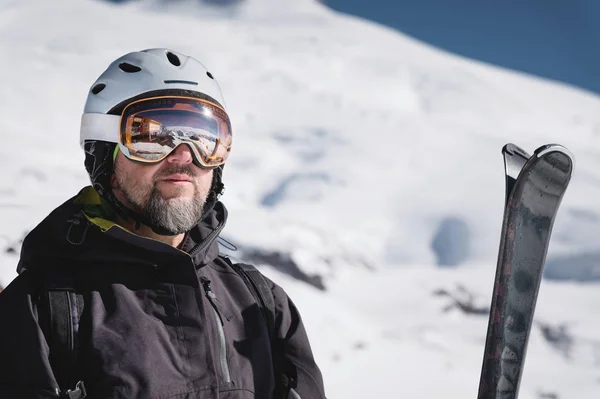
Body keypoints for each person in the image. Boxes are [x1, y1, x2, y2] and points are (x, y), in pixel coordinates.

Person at [0, 48, 326, 399]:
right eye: (152, 136)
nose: (184, 156)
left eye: (205, 138)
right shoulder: (42, 312)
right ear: (104, 155)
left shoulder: (261, 304)